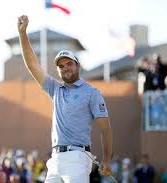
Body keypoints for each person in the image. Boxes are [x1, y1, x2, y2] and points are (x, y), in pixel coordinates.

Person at [17, 15, 113, 183]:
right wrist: (22, 33)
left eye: (69, 63)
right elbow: (32, 65)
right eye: (61, 66)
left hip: (78, 157)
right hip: (55, 160)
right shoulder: (55, 88)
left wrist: (107, 159)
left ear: (78, 65)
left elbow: (105, 128)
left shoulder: (91, 92)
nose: (65, 68)